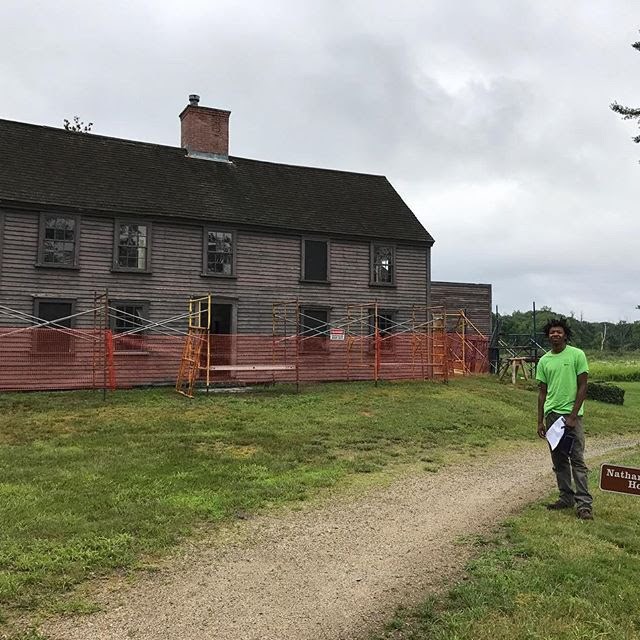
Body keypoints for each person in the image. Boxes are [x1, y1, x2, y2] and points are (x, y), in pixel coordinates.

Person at [536, 317, 593, 520]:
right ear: (548, 336)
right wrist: (540, 420)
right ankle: (566, 497)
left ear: (565, 334)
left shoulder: (577, 355)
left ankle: (584, 504)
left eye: (559, 332)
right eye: (552, 332)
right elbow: (542, 392)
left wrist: (573, 415)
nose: (555, 335)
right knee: (559, 459)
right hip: (552, 416)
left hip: (572, 416)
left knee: (577, 459)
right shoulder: (544, 361)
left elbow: (583, 386)